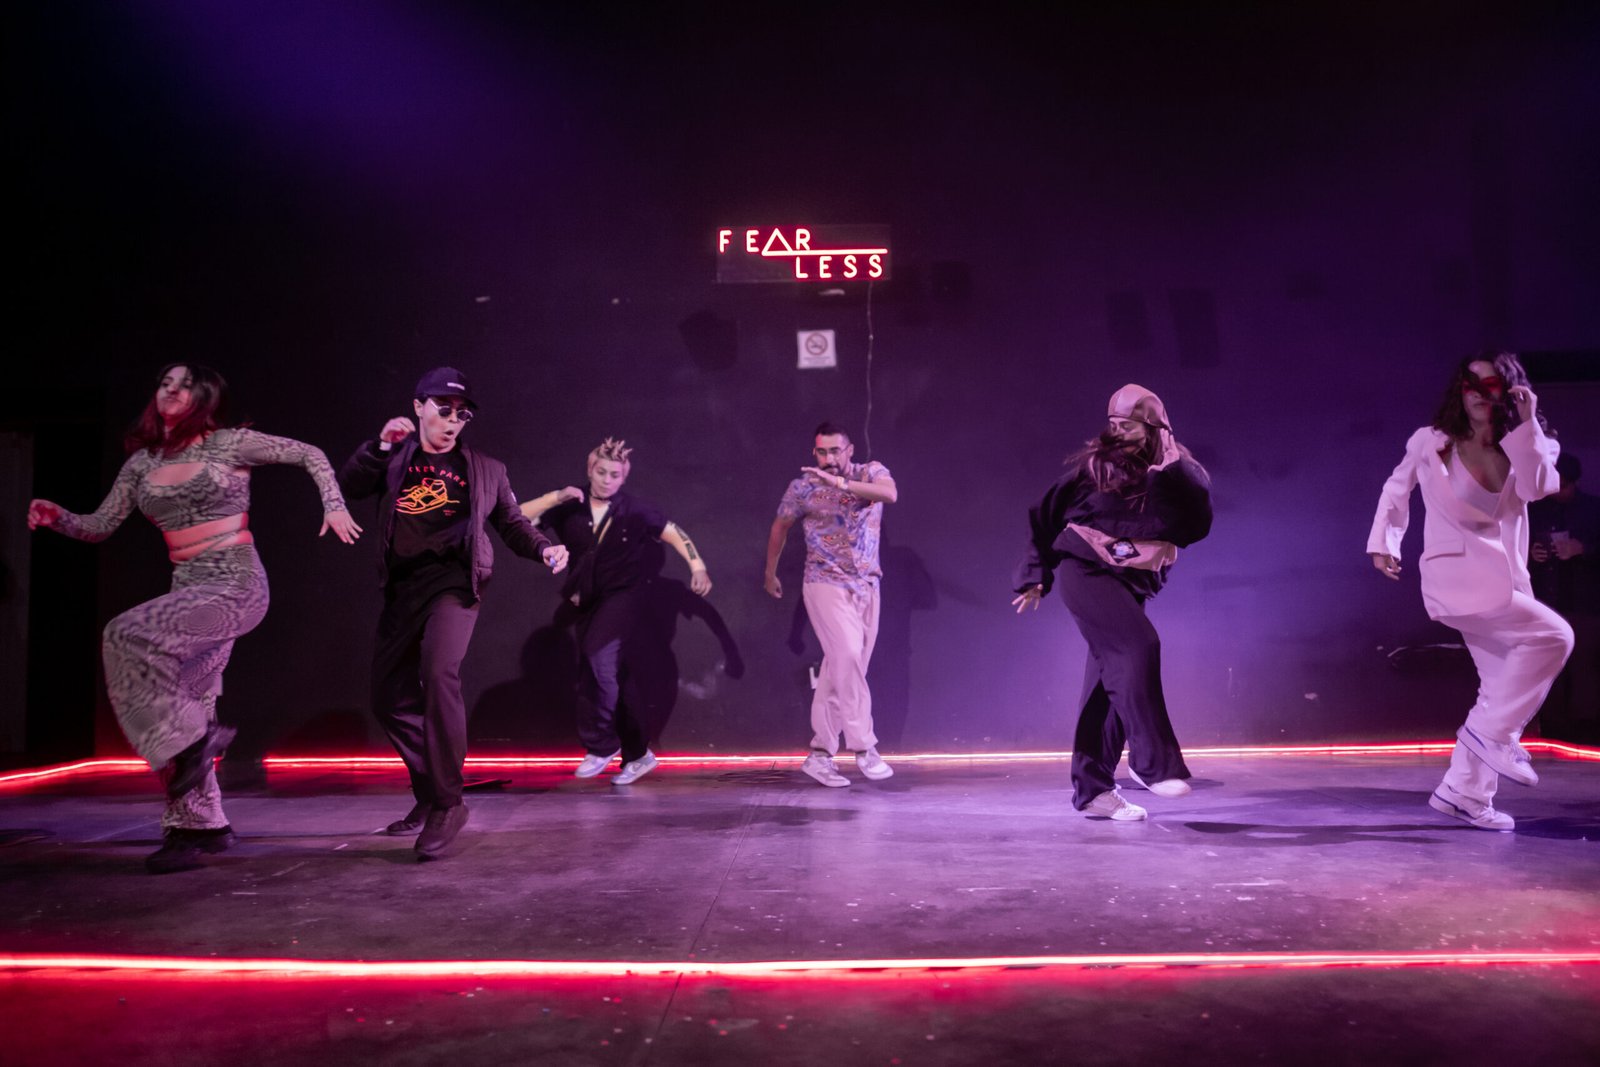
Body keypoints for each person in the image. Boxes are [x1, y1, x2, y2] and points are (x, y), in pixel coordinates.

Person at [27, 364, 360, 873]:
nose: (171, 390)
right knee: (186, 700)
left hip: (236, 583)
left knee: (124, 635)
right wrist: (60, 518)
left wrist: (333, 505)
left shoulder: (228, 444)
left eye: (184, 385)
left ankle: (194, 745)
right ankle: (198, 826)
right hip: (187, 586)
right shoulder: (142, 464)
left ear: (203, 397)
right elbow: (100, 525)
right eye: (165, 383)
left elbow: (308, 453)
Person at [338, 367, 568, 860]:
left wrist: (544, 548)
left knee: (439, 673)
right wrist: (379, 446)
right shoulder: (395, 456)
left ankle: (447, 803)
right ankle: (430, 789)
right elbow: (351, 484)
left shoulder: (486, 469)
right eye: (443, 410)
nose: (452, 421)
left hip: (456, 584)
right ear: (418, 406)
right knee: (387, 697)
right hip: (403, 588)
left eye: (462, 415)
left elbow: (511, 523)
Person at [1368, 352, 1573, 831]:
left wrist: (1526, 424)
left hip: (1505, 582)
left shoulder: (1532, 443)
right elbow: (1396, 488)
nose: (1480, 394)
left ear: (1512, 391)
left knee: (1499, 685)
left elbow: (1539, 488)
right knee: (1555, 637)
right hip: (1455, 579)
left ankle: (1463, 794)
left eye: (1492, 385)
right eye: (1471, 384)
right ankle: (1489, 734)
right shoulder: (1431, 441)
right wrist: (1384, 542)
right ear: (1459, 391)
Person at [1013, 385, 1212, 822]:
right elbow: (1044, 513)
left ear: (1155, 427)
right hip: (1085, 569)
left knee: (1108, 682)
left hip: (1132, 582)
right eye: (1114, 425)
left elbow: (1196, 527)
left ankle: (1094, 790)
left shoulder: (1177, 472)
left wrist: (1172, 473)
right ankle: (1152, 764)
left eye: (1129, 426)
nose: (1118, 433)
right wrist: (1035, 575)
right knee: (1138, 647)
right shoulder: (1095, 468)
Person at [522, 438, 712, 785]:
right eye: (601, 472)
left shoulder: (634, 510)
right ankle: (639, 754)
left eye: (615, 475)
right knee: (608, 674)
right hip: (586, 600)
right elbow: (517, 518)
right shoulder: (570, 505)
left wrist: (697, 566)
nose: (607, 480)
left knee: (598, 657)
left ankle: (601, 744)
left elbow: (675, 533)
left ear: (624, 478)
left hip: (625, 598)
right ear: (590, 470)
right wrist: (555, 497)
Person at [764, 422, 899, 787]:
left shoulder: (870, 472)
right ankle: (864, 746)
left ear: (849, 450)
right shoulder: (803, 487)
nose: (828, 458)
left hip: (867, 586)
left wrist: (840, 484)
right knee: (848, 656)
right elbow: (780, 527)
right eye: (821, 452)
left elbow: (889, 494)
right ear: (814, 453)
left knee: (843, 669)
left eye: (835, 451)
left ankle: (821, 754)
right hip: (824, 583)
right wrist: (770, 572)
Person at [1528, 453, 1600, 744]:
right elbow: (1514, 548)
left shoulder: (1593, 509)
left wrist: (1583, 549)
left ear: (1574, 482)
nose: (1559, 492)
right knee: (1549, 665)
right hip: (1548, 601)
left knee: (1584, 666)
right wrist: (1532, 554)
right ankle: (1552, 728)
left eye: (1564, 486)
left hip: (1585, 603)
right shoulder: (1536, 510)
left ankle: (1587, 730)